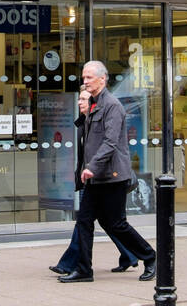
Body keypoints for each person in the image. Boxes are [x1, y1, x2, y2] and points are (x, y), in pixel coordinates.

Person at [59, 63, 157, 283]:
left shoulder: (112, 105)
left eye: (89, 77)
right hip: (95, 177)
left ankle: (150, 257)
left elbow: (110, 142)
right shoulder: (93, 104)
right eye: (83, 77)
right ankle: (84, 269)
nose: (85, 81)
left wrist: (91, 167)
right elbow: (89, 140)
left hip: (111, 176)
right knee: (84, 221)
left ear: (102, 79)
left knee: (116, 224)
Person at [50, 89, 136, 275]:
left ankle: (68, 263)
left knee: (89, 221)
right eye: (79, 98)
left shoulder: (103, 117)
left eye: (83, 99)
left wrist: (90, 171)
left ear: (94, 104)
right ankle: (129, 254)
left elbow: (108, 147)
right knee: (104, 221)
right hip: (91, 178)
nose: (79, 102)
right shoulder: (84, 122)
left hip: (103, 178)